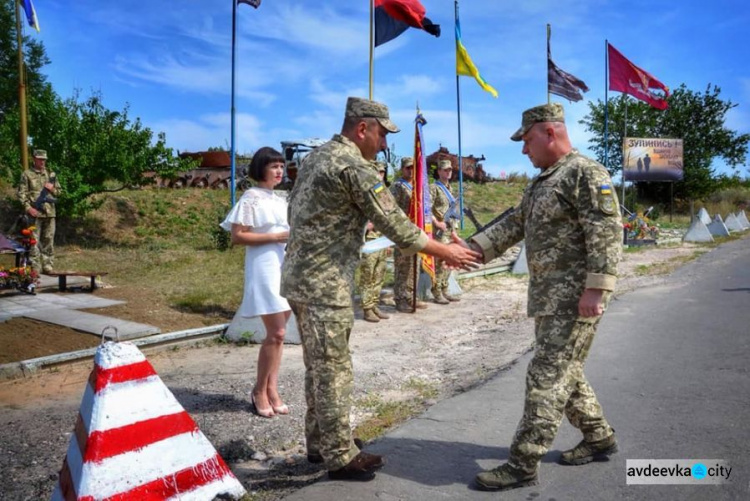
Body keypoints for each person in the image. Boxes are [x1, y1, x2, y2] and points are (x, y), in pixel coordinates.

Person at [280, 96, 481, 482]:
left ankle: (323, 440)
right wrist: (447, 251)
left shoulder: (316, 158)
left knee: (317, 366)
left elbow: (295, 211)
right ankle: (339, 456)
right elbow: (398, 227)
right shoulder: (355, 167)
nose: (385, 144)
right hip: (325, 283)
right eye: (383, 134)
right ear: (362, 128)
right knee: (334, 369)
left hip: (298, 278)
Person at [469, 103, 622, 491]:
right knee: (565, 371)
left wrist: (596, 289)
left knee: (546, 377)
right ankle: (599, 436)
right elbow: (514, 224)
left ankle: (523, 463)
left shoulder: (585, 173)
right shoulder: (543, 181)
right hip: (549, 299)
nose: (523, 150)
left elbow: (606, 232)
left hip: (575, 301)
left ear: (548, 133)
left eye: (526, 140)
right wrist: (472, 249)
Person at [221, 146, 292, 419]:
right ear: (260, 168)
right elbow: (238, 236)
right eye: (273, 166)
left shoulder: (279, 198)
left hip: (283, 264)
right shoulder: (251, 198)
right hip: (264, 266)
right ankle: (259, 390)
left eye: (281, 166)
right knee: (277, 333)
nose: (278, 171)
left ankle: (272, 388)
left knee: (280, 334)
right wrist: (276, 237)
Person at [390, 156, 428, 312]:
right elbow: (391, 209)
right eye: (408, 168)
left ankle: (411, 296)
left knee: (414, 265)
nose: (411, 170)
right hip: (402, 233)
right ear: (402, 169)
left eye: (413, 168)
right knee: (402, 266)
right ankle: (400, 299)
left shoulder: (418, 187)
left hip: (416, 231)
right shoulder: (397, 186)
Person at [18, 149, 61, 274]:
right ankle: (35, 267)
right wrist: (28, 208)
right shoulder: (27, 174)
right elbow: (21, 194)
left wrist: (52, 189)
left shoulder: (51, 175)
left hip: (49, 213)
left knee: (48, 240)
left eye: (44, 159)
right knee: (33, 241)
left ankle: (47, 265)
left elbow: (59, 192)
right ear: (34, 159)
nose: (42, 161)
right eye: (40, 159)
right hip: (34, 213)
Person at [358, 161, 391, 323]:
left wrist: (389, 240)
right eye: (377, 172)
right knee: (367, 275)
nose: (380, 175)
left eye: (382, 172)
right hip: (369, 240)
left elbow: (389, 215)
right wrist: (366, 225)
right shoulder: (363, 191)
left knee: (379, 274)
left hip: (382, 239)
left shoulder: (384, 192)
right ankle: (366, 308)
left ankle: (374, 304)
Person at [429, 159, 460, 304]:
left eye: (450, 170)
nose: (448, 172)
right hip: (439, 230)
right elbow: (426, 209)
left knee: (450, 260)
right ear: (439, 171)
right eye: (445, 170)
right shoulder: (433, 188)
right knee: (440, 260)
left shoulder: (450, 188)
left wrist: (455, 228)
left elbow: (453, 210)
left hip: (450, 228)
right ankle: (436, 291)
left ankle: (445, 288)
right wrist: (436, 222)